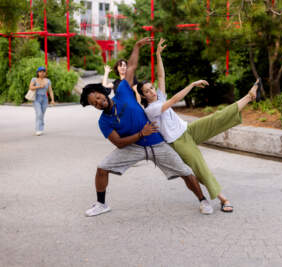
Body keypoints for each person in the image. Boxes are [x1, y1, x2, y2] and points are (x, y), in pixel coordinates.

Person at [80, 38, 213, 217]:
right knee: (102, 168)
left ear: (102, 93)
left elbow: (132, 67)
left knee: (185, 172)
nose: (98, 102)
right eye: (94, 103)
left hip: (156, 143)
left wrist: (136, 46)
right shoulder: (103, 121)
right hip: (134, 147)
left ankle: (203, 200)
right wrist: (140, 134)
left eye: (97, 97)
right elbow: (119, 143)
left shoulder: (123, 92)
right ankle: (101, 204)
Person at [137, 38, 260, 213]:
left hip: (188, 130)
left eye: (151, 88)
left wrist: (158, 55)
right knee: (200, 168)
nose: (151, 92)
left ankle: (249, 96)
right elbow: (175, 100)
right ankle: (223, 199)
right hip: (178, 142)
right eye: (146, 91)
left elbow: (161, 76)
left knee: (217, 118)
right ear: (143, 96)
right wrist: (193, 84)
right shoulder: (151, 109)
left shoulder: (159, 97)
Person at [29, 66, 55, 136]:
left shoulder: (48, 81)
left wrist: (52, 100)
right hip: (36, 98)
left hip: (44, 99)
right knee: (39, 114)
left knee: (42, 115)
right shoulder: (34, 79)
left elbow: (50, 91)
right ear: (38, 73)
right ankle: (38, 129)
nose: (42, 73)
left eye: (43, 72)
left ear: (45, 73)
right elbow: (31, 87)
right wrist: (39, 86)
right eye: (40, 72)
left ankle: (41, 127)